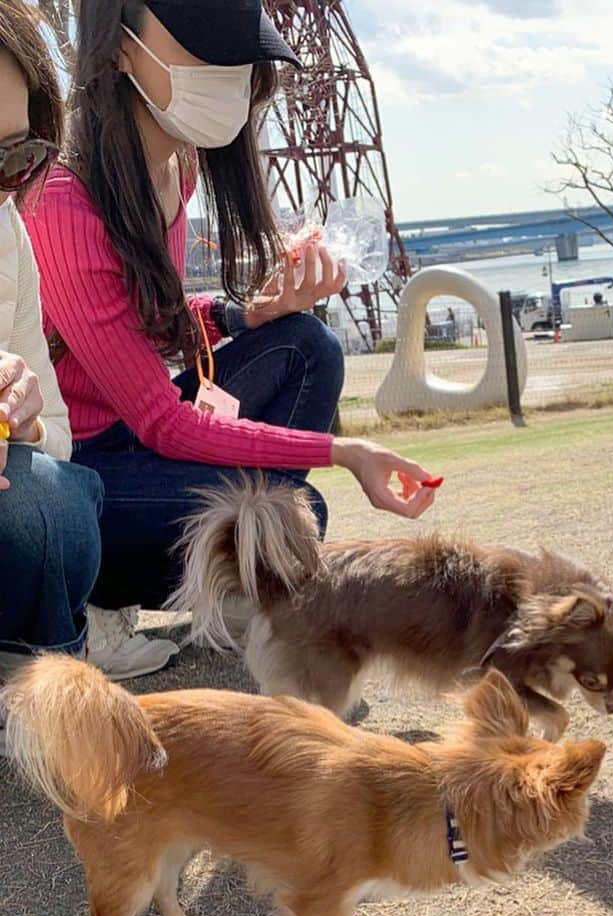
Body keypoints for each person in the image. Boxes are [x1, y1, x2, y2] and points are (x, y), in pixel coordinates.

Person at [23, 0, 437, 677]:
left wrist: (248, 314)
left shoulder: (175, 167)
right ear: (119, 49)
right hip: (81, 470)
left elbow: (148, 317)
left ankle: (240, 581)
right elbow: (162, 422)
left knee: (306, 346)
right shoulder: (64, 204)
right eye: (203, 50)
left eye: (239, 56)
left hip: (131, 435)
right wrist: (342, 449)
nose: (229, 73)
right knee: (303, 518)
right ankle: (99, 600)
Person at [0, 0, 109, 752]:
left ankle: (36, 686)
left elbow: (59, 438)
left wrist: (24, 418)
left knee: (50, 499)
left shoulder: (10, 230)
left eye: (12, 158)